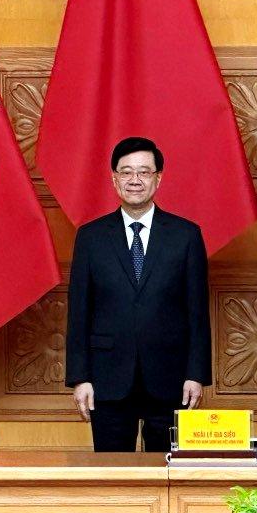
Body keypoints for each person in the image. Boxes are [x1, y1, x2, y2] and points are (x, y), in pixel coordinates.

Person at [65, 136, 212, 452]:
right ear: (114, 179)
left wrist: (196, 375)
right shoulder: (91, 237)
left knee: (169, 475)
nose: (135, 180)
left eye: (144, 172)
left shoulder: (186, 235)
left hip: (170, 378)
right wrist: (80, 377)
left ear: (158, 178)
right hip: (107, 379)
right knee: (113, 478)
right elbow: (79, 312)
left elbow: (197, 312)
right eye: (126, 172)